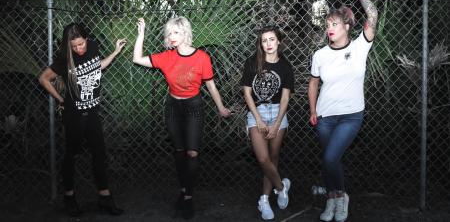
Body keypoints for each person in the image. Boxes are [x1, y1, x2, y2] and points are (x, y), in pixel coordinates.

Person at [132, 16, 231, 219]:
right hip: (173, 107)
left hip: (193, 106)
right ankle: (184, 189)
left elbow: (211, 85)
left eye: (176, 32)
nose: (172, 37)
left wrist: (221, 107)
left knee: (192, 153)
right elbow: (137, 59)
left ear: (186, 33)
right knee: (179, 151)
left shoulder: (202, 57)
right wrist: (141, 35)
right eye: (169, 33)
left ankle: (188, 195)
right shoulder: (167, 57)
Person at [38, 23, 126, 217]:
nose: (79, 49)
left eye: (81, 44)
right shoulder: (64, 59)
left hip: (92, 112)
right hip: (74, 115)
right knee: (71, 155)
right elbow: (43, 78)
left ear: (86, 38)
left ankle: (105, 197)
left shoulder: (93, 46)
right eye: (74, 46)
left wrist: (115, 52)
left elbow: (98, 66)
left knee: (99, 155)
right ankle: (69, 197)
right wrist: (60, 99)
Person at [308, 0, 378, 222]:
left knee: (329, 158)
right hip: (325, 116)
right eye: (327, 24)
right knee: (331, 160)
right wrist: (313, 110)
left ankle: (341, 197)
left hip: (351, 116)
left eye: (335, 24)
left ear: (347, 26)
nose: (330, 28)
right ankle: (332, 199)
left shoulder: (361, 47)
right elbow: (313, 83)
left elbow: (373, 14)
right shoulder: (320, 55)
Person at [241, 25, 294, 220]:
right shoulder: (252, 63)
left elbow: (286, 99)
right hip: (257, 112)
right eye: (264, 40)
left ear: (278, 41)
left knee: (272, 159)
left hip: (278, 114)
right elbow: (247, 93)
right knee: (263, 159)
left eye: (272, 39)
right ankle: (281, 187)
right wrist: (258, 120)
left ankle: (264, 198)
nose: (268, 44)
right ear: (260, 44)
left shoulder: (285, 66)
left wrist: (277, 123)